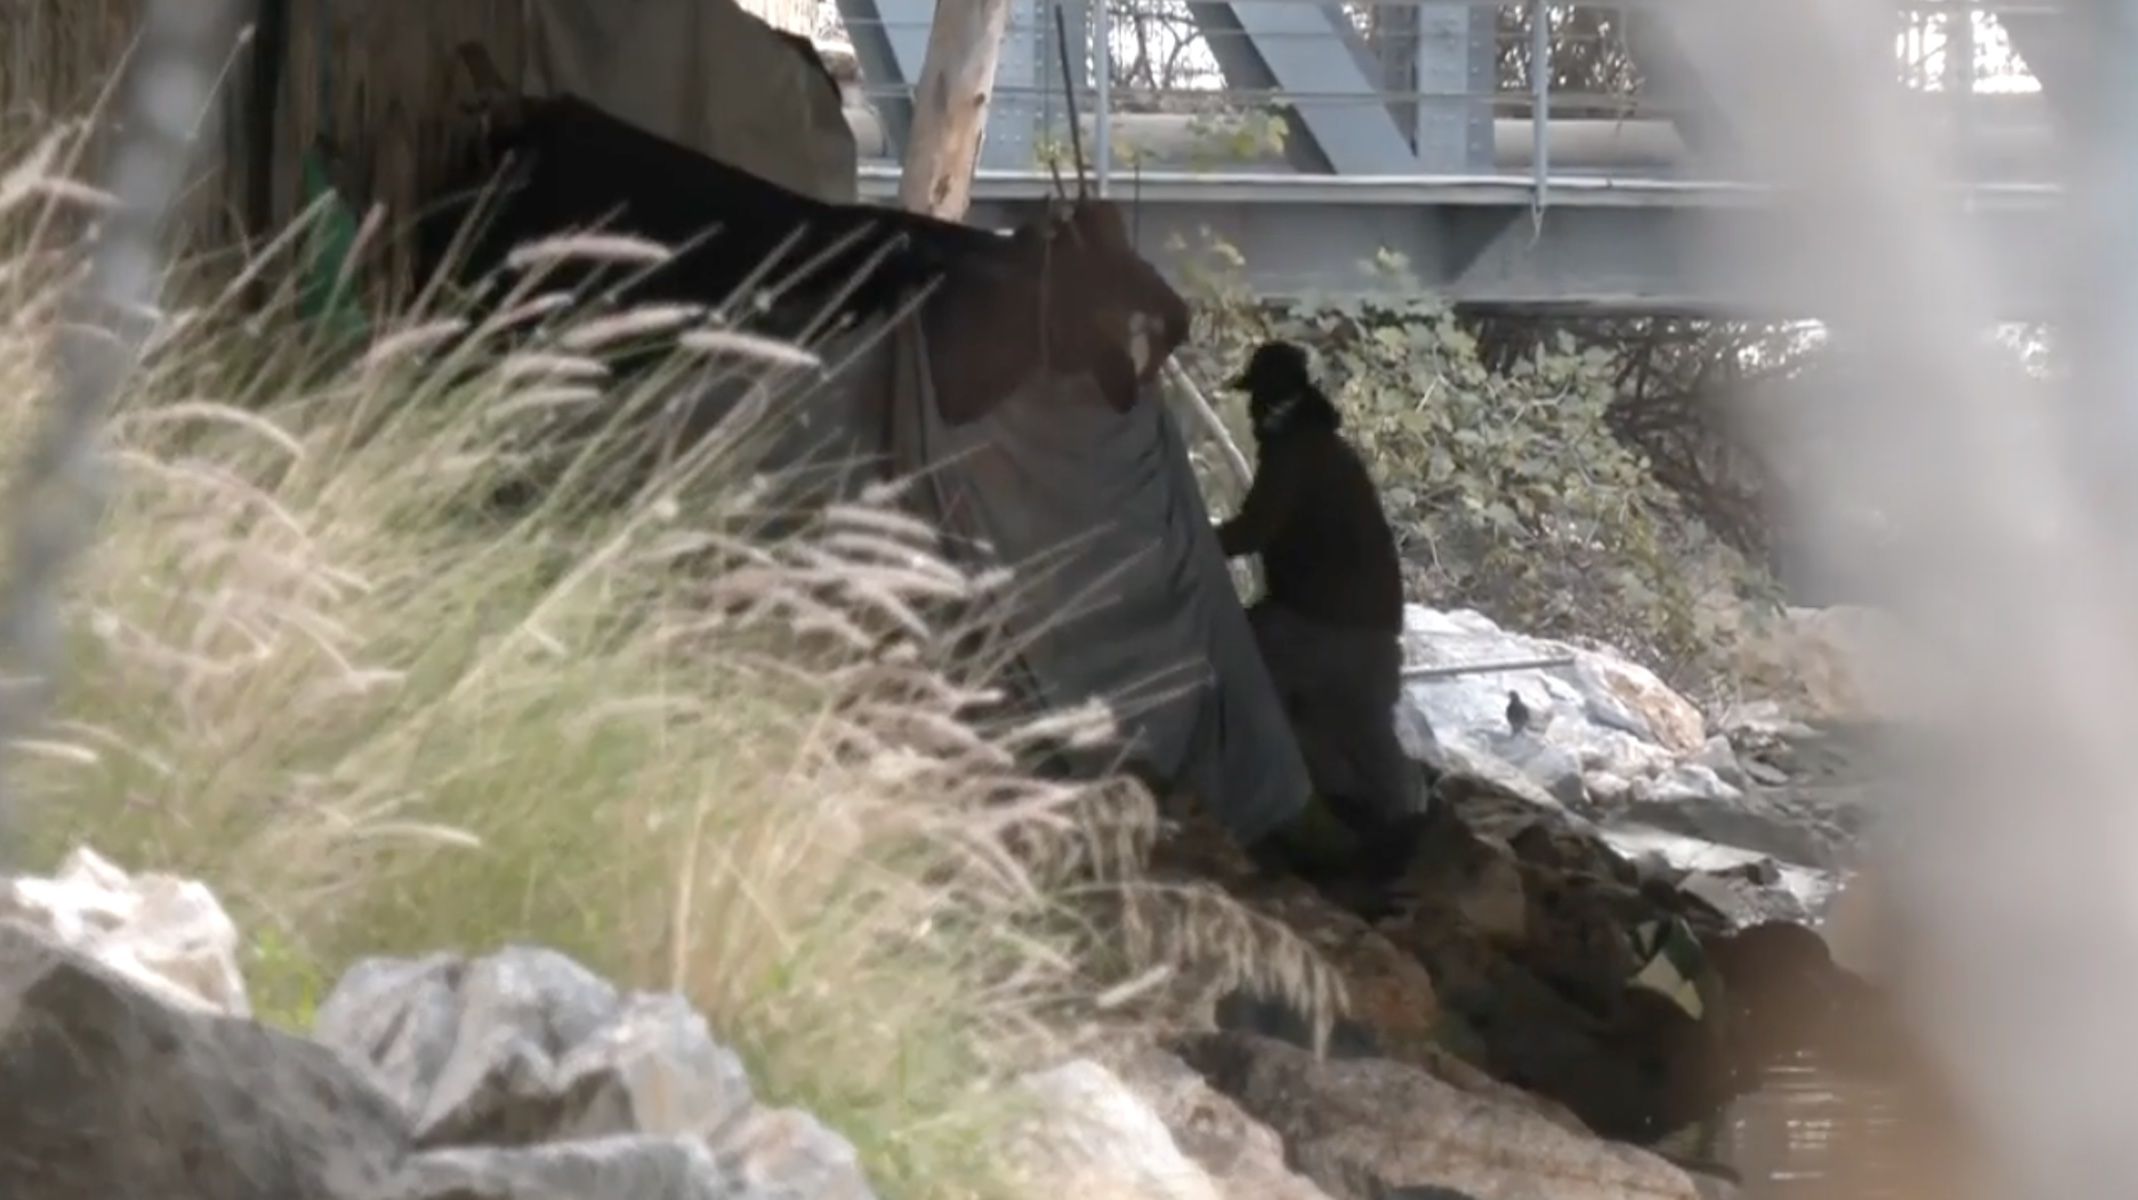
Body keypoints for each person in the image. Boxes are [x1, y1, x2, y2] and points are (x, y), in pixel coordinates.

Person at [1214, 339, 1422, 887]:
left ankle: (1268, 807)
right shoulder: (1325, 449)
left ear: (1270, 401)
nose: (1253, 414)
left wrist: (1189, 543)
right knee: (1363, 733)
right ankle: (1397, 840)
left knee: (1237, 667)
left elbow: (1254, 530)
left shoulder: (1296, 452)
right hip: (1365, 624)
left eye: (1257, 400)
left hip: (1328, 625)